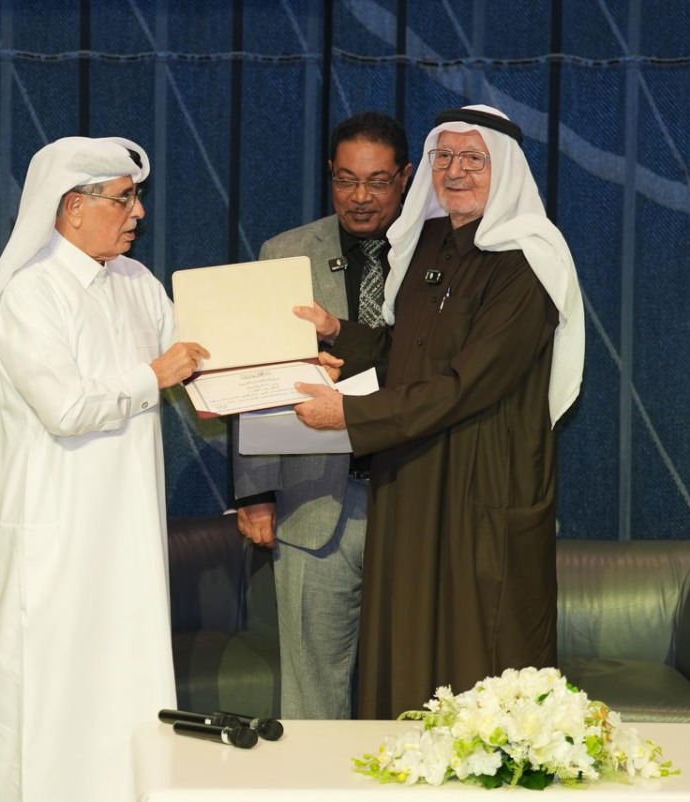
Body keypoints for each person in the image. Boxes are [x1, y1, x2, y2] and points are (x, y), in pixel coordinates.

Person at [293, 105, 585, 719]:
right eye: (444, 157)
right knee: (407, 639)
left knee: (479, 649)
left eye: (473, 159)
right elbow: (406, 353)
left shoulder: (527, 260)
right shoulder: (427, 241)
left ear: (504, 169)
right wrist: (339, 332)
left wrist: (350, 417)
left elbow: (466, 384)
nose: (455, 171)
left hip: (484, 479)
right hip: (415, 475)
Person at [0, 136, 207, 802]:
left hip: (128, 533)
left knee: (127, 683)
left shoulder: (138, 282)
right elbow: (66, 408)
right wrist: (152, 376)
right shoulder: (30, 294)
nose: (139, 213)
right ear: (72, 207)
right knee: (56, 693)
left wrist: (289, 360)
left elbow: (199, 360)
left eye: (137, 198)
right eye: (124, 199)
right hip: (59, 538)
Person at [233, 112, 411, 719]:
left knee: (414, 687)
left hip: (414, 498)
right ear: (329, 175)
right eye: (345, 180)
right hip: (313, 501)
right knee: (311, 693)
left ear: (405, 178)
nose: (360, 197)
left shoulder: (441, 253)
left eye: (377, 182)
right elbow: (252, 377)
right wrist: (255, 491)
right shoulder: (284, 254)